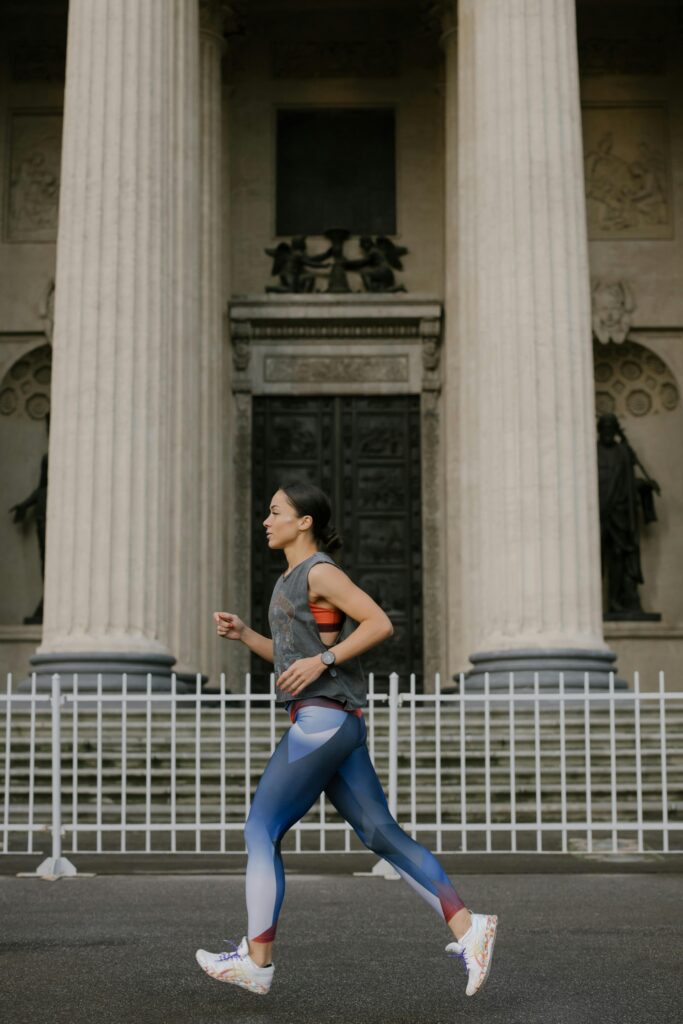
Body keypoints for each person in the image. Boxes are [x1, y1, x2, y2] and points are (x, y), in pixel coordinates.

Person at [195, 481, 498, 997]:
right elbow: (294, 661)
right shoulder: (291, 577)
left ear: (303, 521)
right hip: (338, 725)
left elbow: (379, 623)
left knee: (260, 830)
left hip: (322, 722)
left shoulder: (320, 571)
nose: (266, 521)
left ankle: (257, 960)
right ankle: (471, 928)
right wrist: (247, 636)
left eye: (275, 512)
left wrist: (326, 658)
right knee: (382, 835)